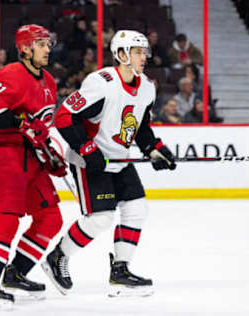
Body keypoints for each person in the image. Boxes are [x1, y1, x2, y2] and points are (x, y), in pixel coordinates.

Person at [42, 30, 177, 297]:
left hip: (119, 159)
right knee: (101, 219)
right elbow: (65, 116)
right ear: (122, 54)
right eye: (138, 52)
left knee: (137, 208)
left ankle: (121, 270)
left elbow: (140, 127)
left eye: (144, 52)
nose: (144, 57)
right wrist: (87, 148)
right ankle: (57, 257)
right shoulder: (101, 82)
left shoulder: (147, 87)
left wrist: (154, 148)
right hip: (89, 161)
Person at [0, 24, 67, 307]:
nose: (48, 48)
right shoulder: (12, 73)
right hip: (4, 153)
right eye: (41, 44)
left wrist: (50, 154)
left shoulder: (48, 80)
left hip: (30, 158)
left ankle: (15, 273)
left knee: (50, 217)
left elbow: (39, 128)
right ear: (25, 48)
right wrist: (21, 123)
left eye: (49, 43)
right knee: (7, 216)